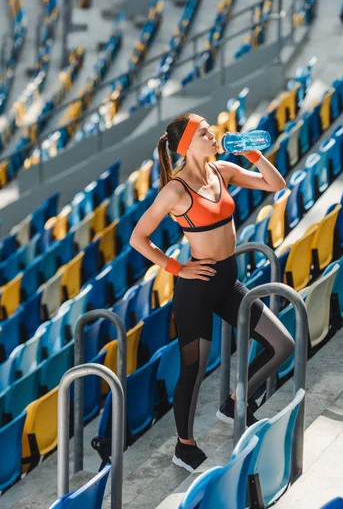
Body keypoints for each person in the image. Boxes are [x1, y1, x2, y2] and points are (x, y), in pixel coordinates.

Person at [129, 113, 295, 473]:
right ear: (187, 145)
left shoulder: (222, 169)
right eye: (204, 132)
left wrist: (252, 152)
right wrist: (177, 267)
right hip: (196, 288)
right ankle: (184, 445)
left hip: (228, 281)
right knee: (194, 369)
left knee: (283, 344)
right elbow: (138, 238)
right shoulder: (175, 190)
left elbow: (275, 184)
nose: (213, 134)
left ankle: (236, 401)